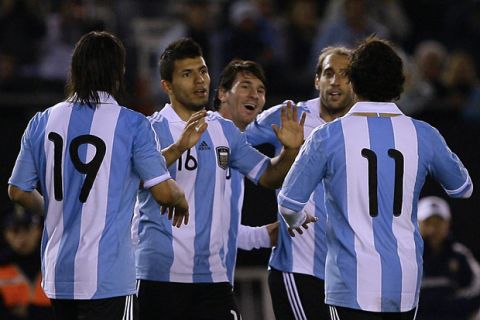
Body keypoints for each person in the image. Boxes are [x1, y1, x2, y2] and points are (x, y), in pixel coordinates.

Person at [277, 36, 473, 319]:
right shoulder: (424, 134)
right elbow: (462, 188)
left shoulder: (328, 136)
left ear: (352, 83)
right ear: (401, 83)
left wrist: (297, 221)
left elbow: (288, 204)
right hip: (404, 283)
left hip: (350, 283)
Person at [7, 31, 189, 320]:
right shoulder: (132, 124)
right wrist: (180, 198)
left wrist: (55, 209)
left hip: (58, 276)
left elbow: (17, 191)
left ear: (75, 70)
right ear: (118, 74)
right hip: (109, 278)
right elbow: (164, 192)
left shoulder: (42, 121)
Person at [134, 38, 308, 320]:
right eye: (187, 74)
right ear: (167, 85)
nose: (199, 80)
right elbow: (132, 180)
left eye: (202, 71)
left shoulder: (224, 131)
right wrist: (178, 148)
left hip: (213, 278)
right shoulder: (148, 129)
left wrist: (290, 151)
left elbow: (269, 176)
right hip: (159, 276)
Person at [245, 46, 354, 320]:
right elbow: (232, 136)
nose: (335, 81)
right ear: (317, 80)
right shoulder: (290, 115)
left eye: (345, 74)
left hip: (349, 272)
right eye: (329, 73)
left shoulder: (364, 126)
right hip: (299, 268)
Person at [416, 196, 480, 320]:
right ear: (417, 224)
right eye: (428, 223)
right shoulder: (406, 256)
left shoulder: (460, 254)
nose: (433, 229)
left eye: (438, 223)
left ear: (448, 224)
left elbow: (477, 288)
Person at [0, 206, 53, 320]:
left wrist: (29, 311)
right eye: (15, 230)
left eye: (27, 228)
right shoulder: (2, 269)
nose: (22, 237)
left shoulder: (56, 266)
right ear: (6, 234)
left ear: (39, 229)